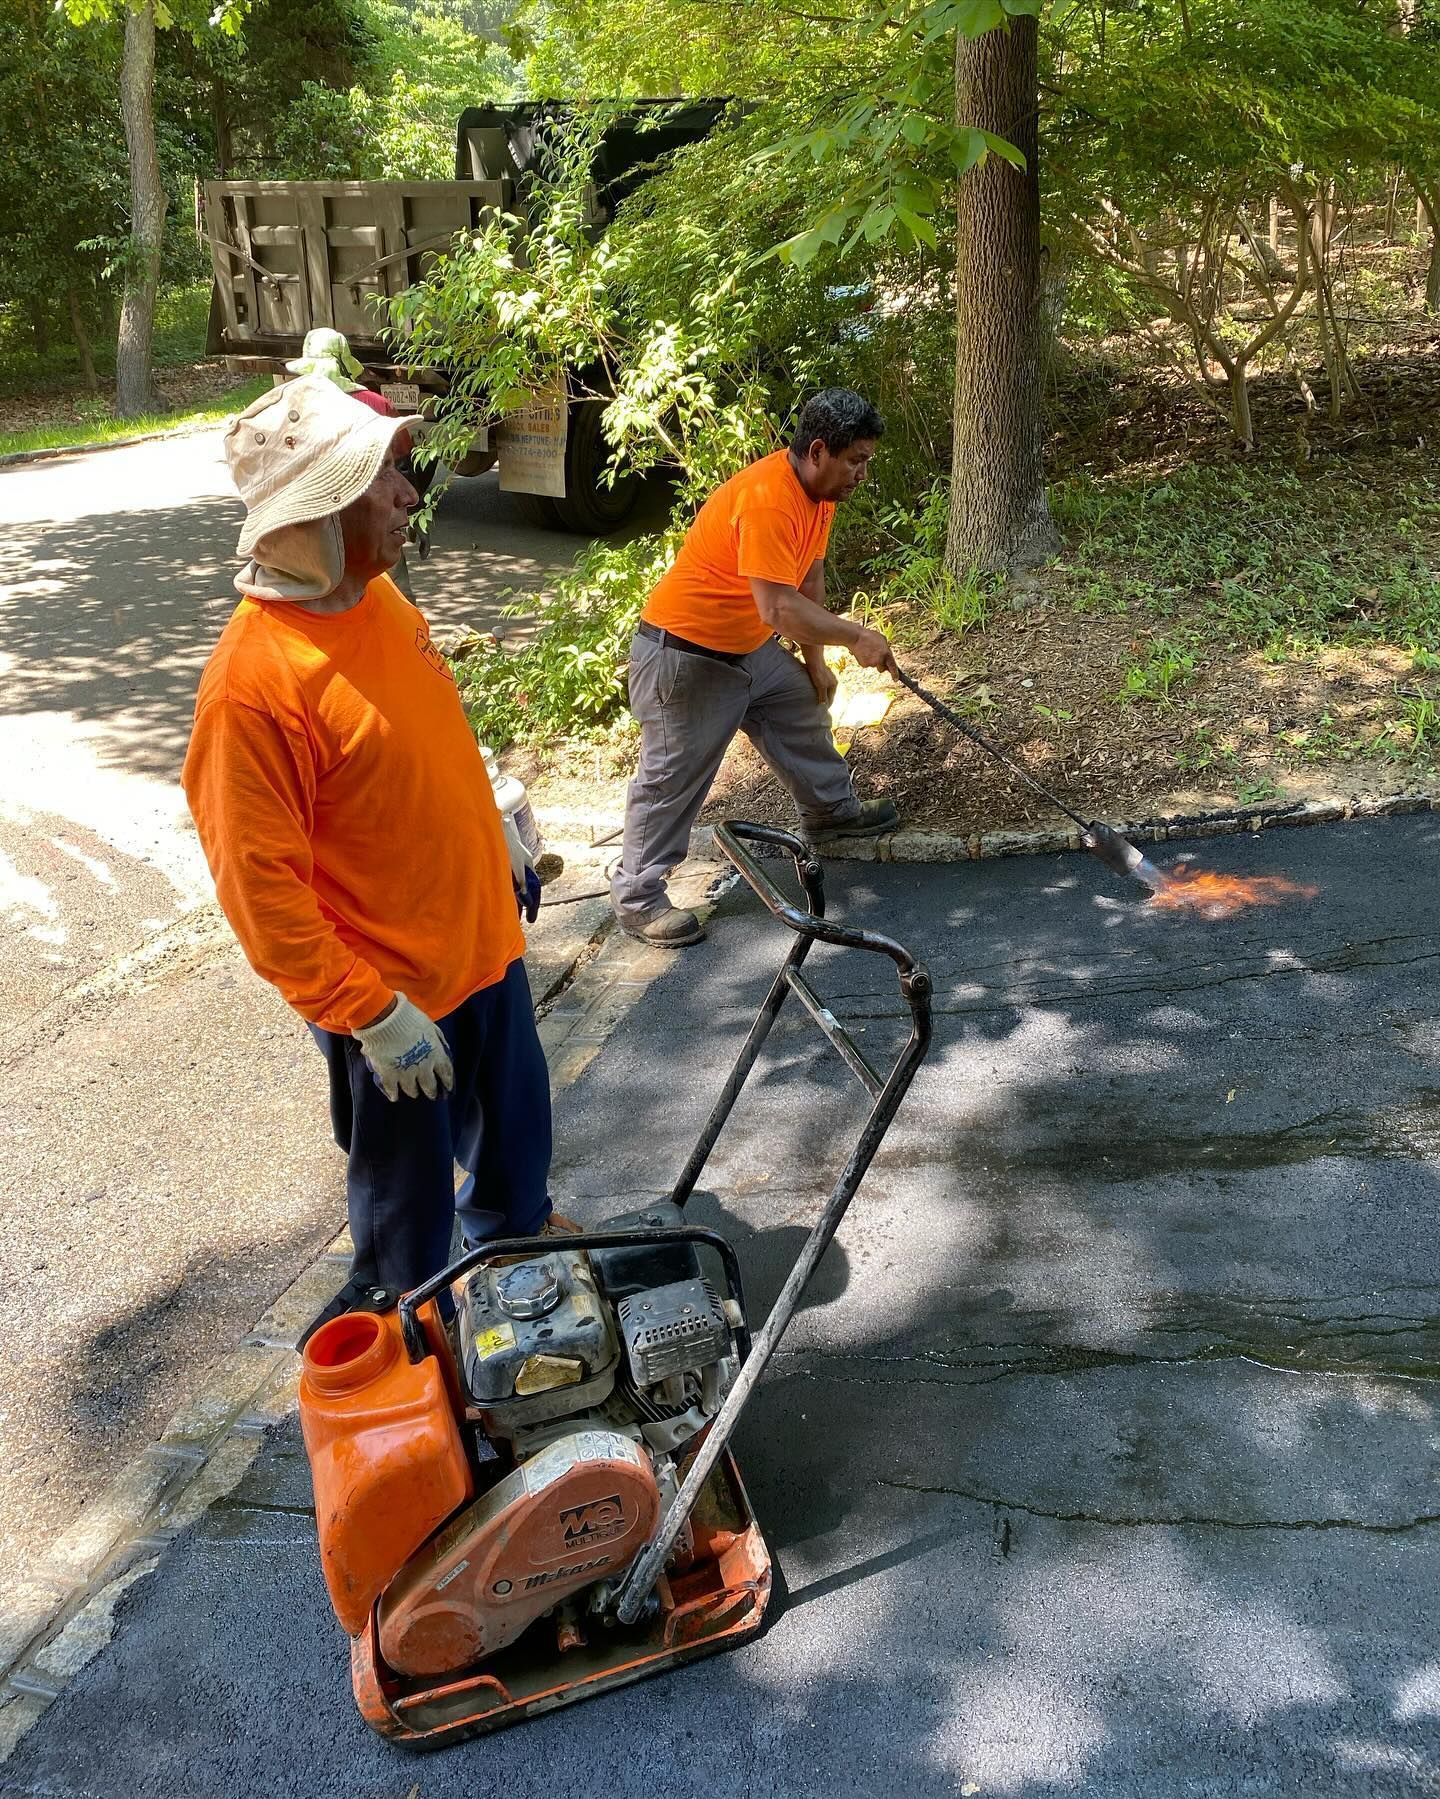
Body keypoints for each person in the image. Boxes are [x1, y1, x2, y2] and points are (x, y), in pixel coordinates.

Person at [182, 374, 561, 1337]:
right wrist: (370, 1013)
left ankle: (519, 1279)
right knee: (407, 1226)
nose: (409, 493)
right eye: (384, 475)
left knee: (517, 1151)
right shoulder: (254, 686)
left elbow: (425, 734)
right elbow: (260, 895)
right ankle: (413, 1357)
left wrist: (499, 815)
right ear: (318, 511)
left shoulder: (380, 598)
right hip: (393, 1000)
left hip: (483, 945)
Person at [611, 388, 900, 947]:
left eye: (866, 459)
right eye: (856, 460)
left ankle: (830, 811)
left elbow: (807, 583)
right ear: (819, 451)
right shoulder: (769, 499)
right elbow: (779, 608)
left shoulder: (820, 495)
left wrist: (817, 663)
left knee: (797, 702)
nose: (863, 472)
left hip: (745, 649)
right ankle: (639, 898)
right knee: (670, 779)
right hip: (684, 658)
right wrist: (856, 637)